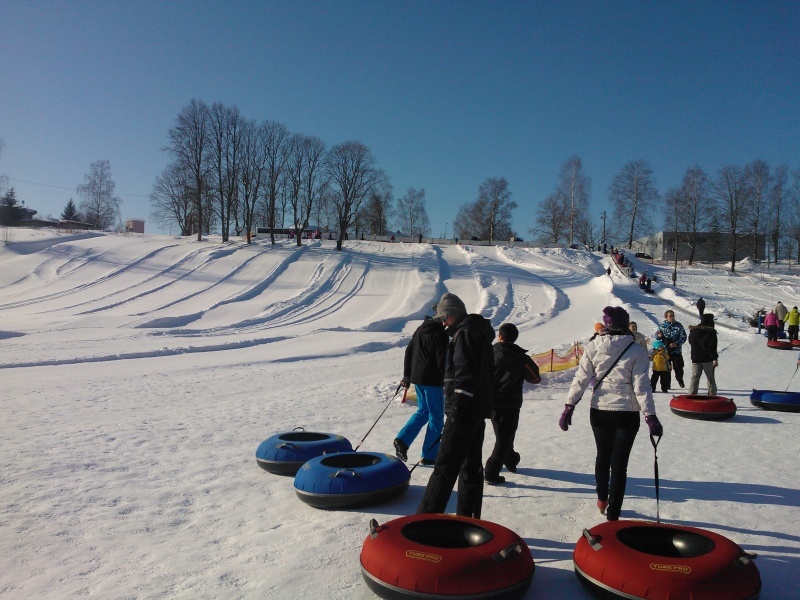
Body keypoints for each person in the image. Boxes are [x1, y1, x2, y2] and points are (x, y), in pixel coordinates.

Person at [559, 306, 662, 522]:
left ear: (606, 325)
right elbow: (641, 386)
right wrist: (650, 416)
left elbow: (581, 378)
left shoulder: (593, 346)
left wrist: (570, 405)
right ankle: (614, 512)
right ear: (626, 325)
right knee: (619, 464)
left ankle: (601, 499)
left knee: (602, 456)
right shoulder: (637, 350)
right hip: (627, 413)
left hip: (599, 411)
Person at [417, 292, 495, 518]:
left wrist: (457, 411)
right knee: (470, 467)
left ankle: (423, 524)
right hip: (475, 411)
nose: (442, 323)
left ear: (453, 316)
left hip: (463, 412)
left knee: (444, 468)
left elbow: (465, 375)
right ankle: (467, 518)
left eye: (444, 318)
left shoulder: (465, 334)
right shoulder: (475, 332)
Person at [484, 323, 541, 484]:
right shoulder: (521, 358)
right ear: (515, 338)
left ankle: (510, 459)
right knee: (503, 438)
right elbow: (535, 378)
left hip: (490, 402)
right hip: (510, 403)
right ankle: (491, 471)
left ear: (499, 336)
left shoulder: (488, 353)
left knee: (504, 435)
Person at [393, 309, 449, 465]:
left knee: (423, 411)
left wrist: (407, 375)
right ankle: (430, 455)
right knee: (436, 416)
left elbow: (409, 351)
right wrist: (448, 380)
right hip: (433, 381)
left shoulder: (420, 329)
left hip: (418, 378)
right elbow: (441, 360)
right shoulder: (440, 334)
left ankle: (402, 440)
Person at [688, 313, 719, 396]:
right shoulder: (711, 332)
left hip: (695, 359)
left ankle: (691, 396)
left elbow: (690, 342)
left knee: (695, 378)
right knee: (710, 378)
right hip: (707, 360)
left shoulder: (693, 331)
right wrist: (715, 358)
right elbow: (712, 347)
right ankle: (712, 396)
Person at [658, 310, 687, 387]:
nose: (672, 317)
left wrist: (676, 344)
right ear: (666, 317)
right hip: (666, 351)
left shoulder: (678, 326)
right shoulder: (662, 325)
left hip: (676, 351)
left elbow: (683, 337)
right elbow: (657, 336)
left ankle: (680, 380)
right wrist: (659, 336)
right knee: (666, 368)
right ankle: (667, 384)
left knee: (678, 367)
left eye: (673, 316)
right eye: (670, 316)